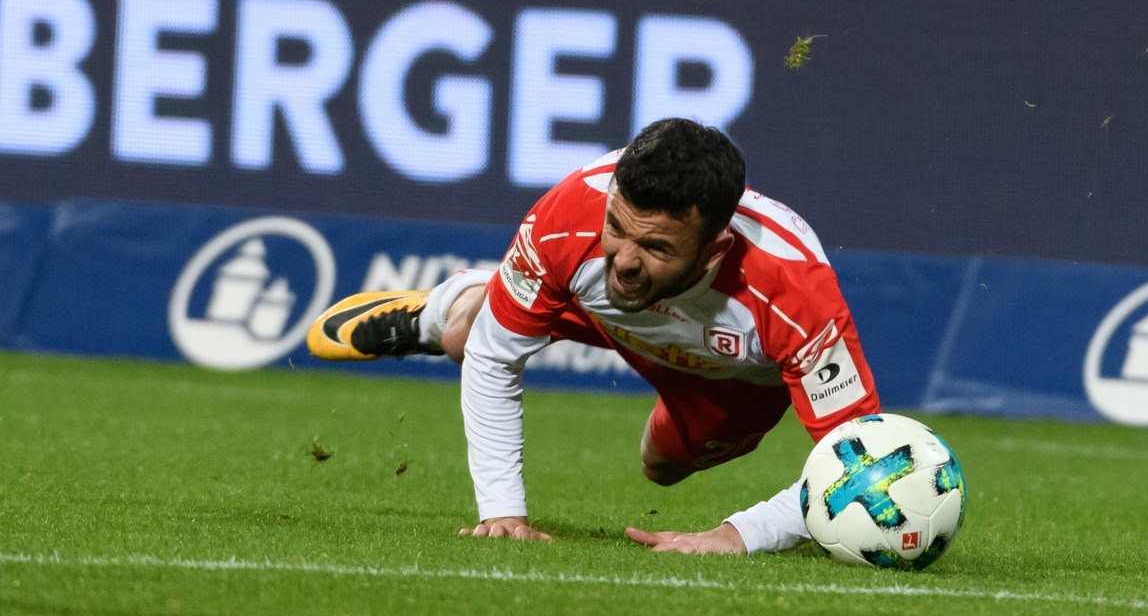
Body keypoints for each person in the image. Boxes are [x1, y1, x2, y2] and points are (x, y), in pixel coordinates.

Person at [307, 118, 879, 556]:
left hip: (732, 376)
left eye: (655, 246)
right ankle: (445, 311)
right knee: (470, 338)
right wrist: (502, 512)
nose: (624, 258)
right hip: (603, 308)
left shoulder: (795, 292)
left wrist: (740, 534)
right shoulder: (572, 216)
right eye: (617, 227)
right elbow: (493, 361)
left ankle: (493, 296)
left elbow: (860, 463)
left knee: (662, 466)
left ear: (715, 250)